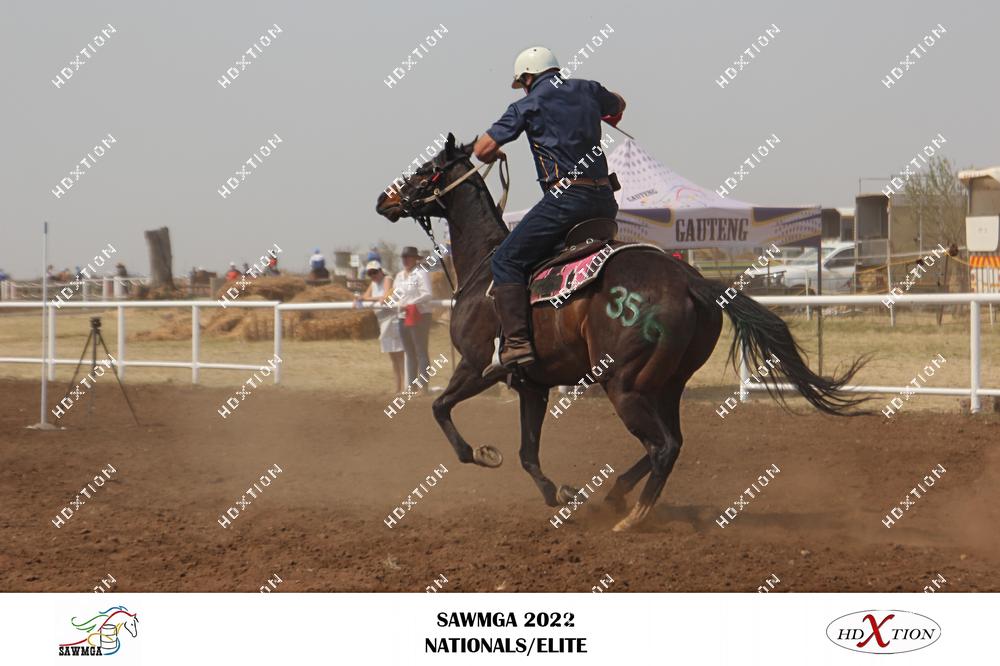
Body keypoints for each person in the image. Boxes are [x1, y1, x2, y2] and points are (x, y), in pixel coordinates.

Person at [474, 46, 626, 380]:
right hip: (605, 200)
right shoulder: (588, 88)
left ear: (527, 78)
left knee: (506, 260)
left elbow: (482, 149)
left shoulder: (528, 104)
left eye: (522, 83)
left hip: (566, 200)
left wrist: (491, 154)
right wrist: (602, 113)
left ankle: (516, 344)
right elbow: (619, 103)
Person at [358, 260, 405, 392]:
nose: (373, 275)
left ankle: (406, 388)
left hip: (392, 320)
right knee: (393, 358)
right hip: (382, 321)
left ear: (380, 271)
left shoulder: (387, 279)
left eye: (375, 272)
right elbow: (365, 296)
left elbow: (384, 297)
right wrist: (367, 298)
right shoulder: (373, 283)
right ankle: (398, 388)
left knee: (400, 357)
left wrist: (366, 299)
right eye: (370, 273)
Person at [393, 246, 433, 391]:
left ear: (415, 259)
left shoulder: (421, 273)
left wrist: (411, 303)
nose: (405, 260)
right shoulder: (399, 276)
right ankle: (412, 386)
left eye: (408, 257)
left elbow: (428, 294)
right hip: (403, 316)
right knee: (409, 352)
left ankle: (423, 386)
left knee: (421, 351)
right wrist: (399, 304)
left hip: (419, 315)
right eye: (403, 257)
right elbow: (395, 295)